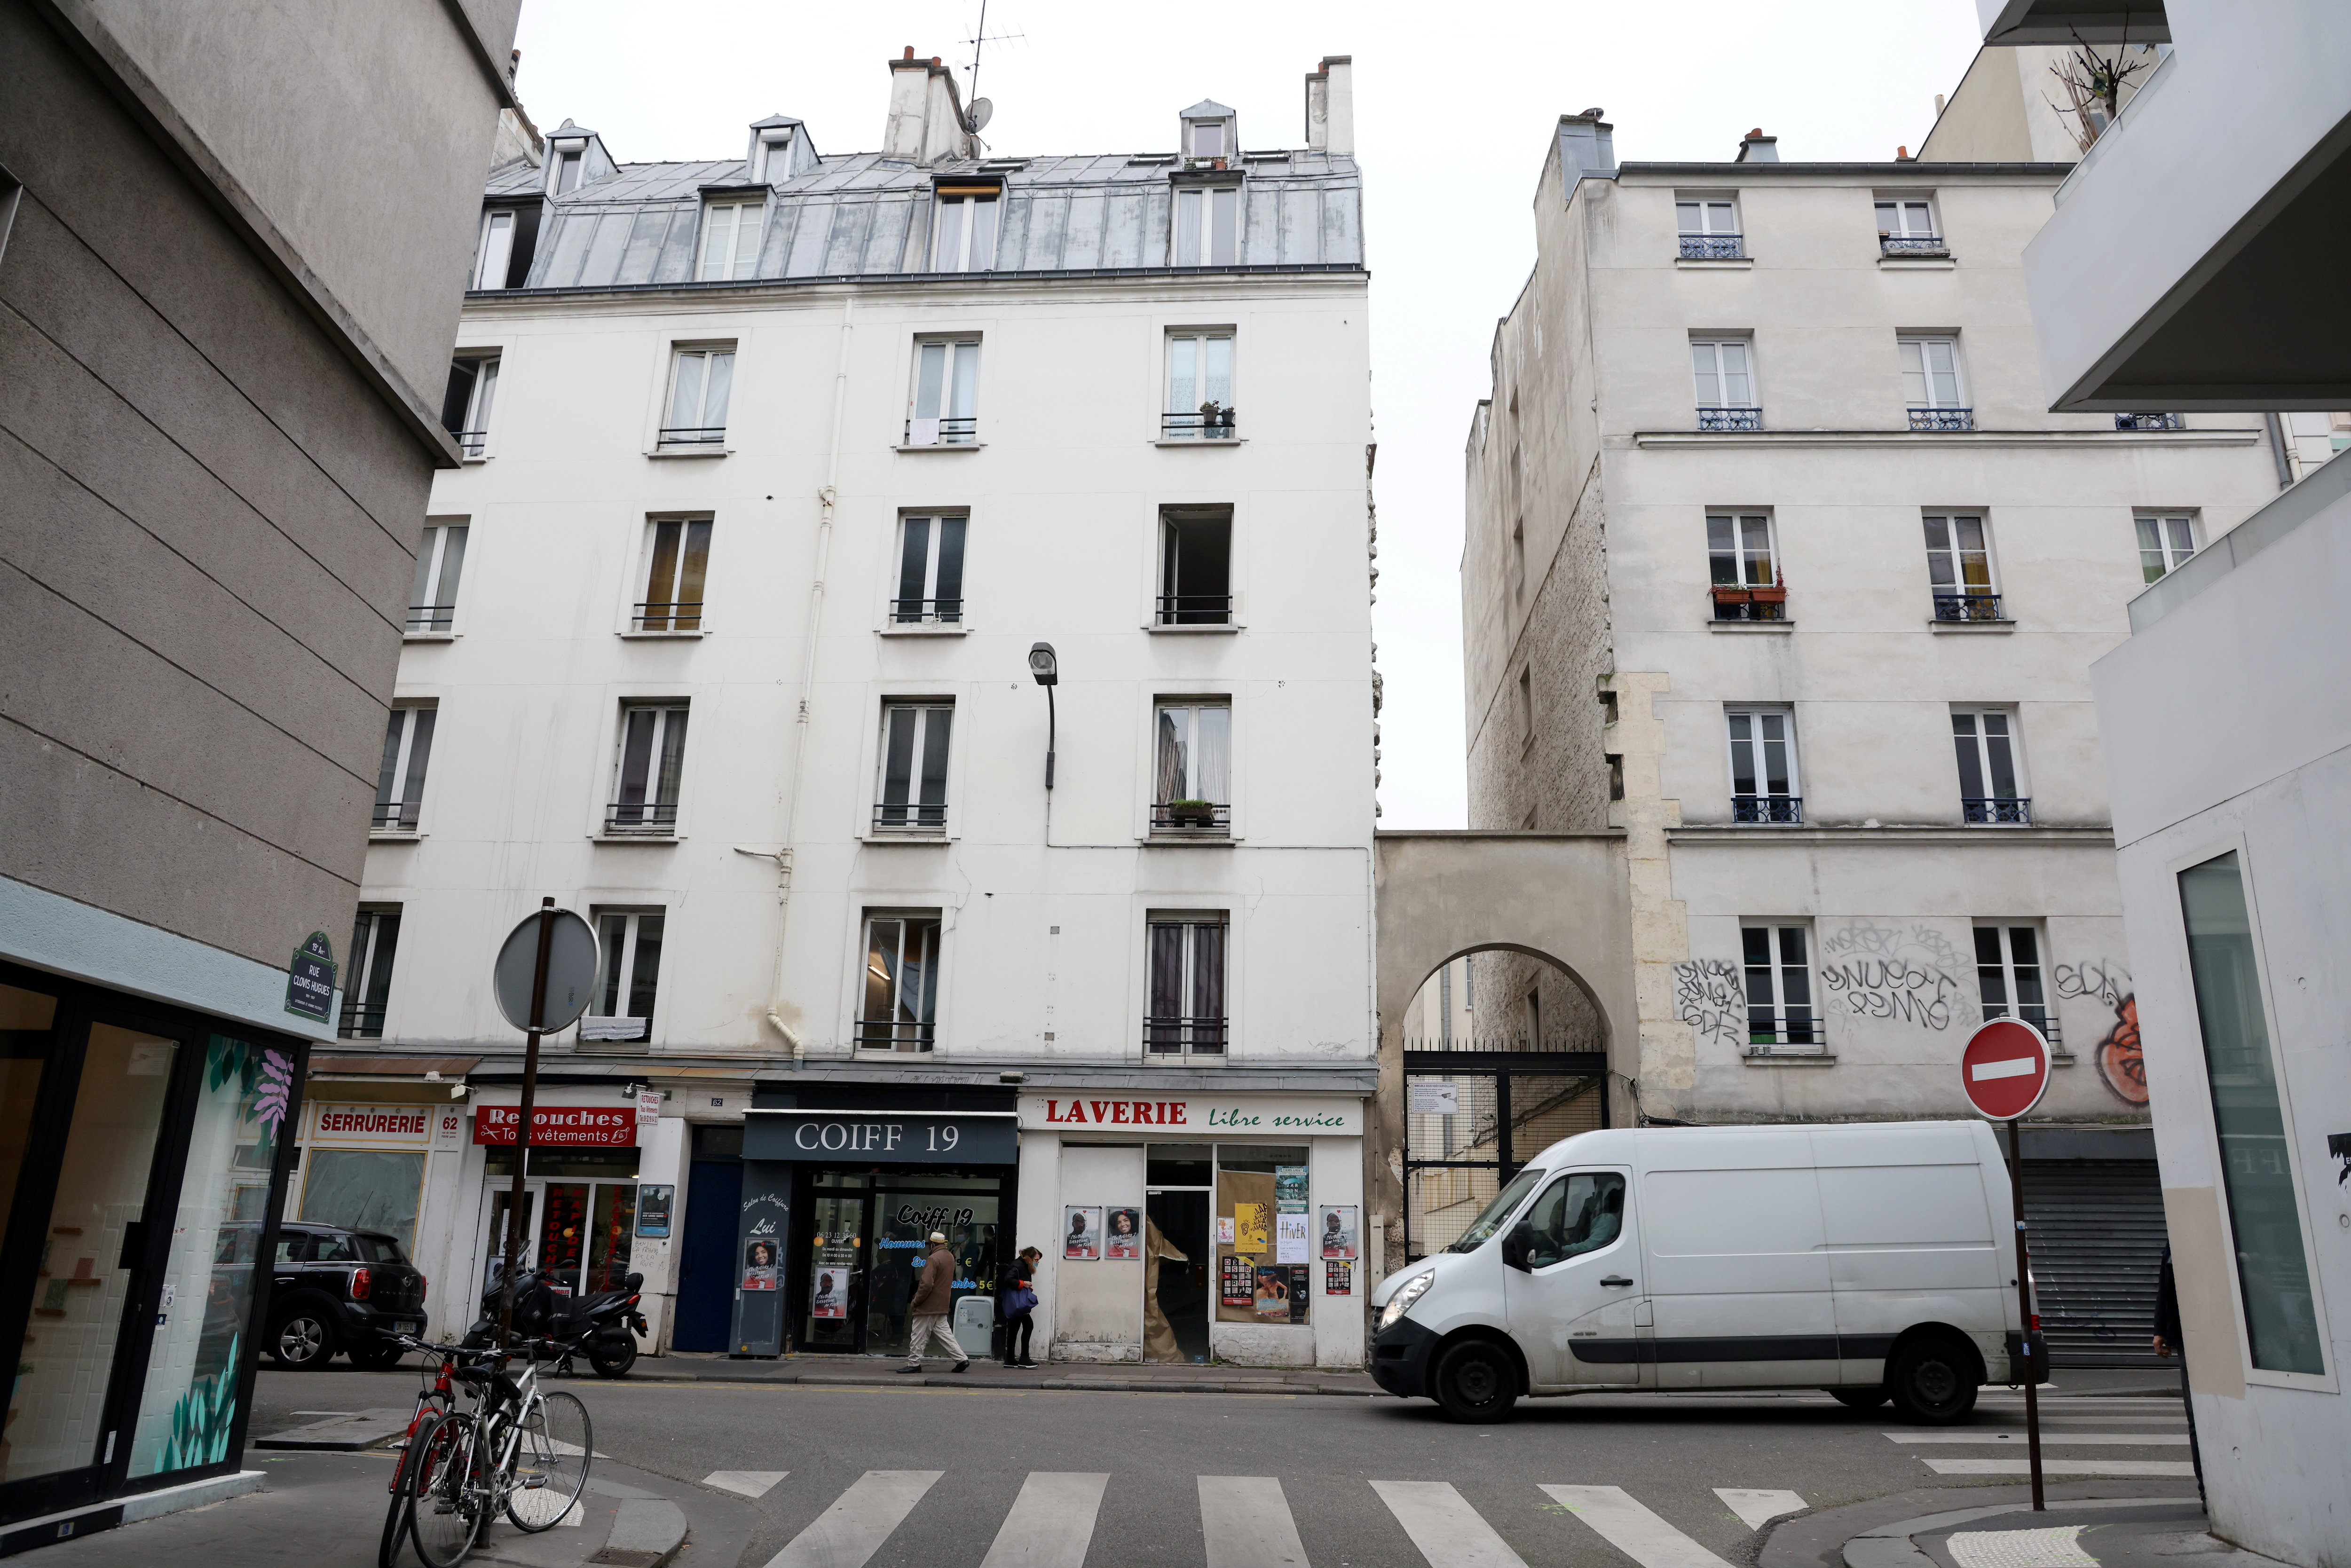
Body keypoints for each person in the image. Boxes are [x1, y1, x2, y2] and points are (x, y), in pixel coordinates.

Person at [2152, 1244, 2204, 1500]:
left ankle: (2209, 1490)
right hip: (2187, 1336)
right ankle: (2206, 1489)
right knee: (2196, 1417)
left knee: (2198, 1417)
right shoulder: (2174, 1241)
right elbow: (2165, 1286)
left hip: (2211, 1334)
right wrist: (2160, 1329)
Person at [899, 1230, 970, 1374]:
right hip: (942, 1303)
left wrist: (916, 1301)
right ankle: (962, 1359)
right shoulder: (949, 1257)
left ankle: (914, 1363)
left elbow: (926, 1285)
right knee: (945, 1334)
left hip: (928, 1305)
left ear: (931, 1244)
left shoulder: (933, 1259)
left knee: (918, 1335)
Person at [1002, 1245, 1042, 1368]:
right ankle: (1024, 1358)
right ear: (1030, 1258)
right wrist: (1023, 1284)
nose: (1037, 1263)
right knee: (1028, 1325)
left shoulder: (1023, 1264)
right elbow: (1008, 1280)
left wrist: (1027, 1286)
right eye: (1036, 1260)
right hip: (1018, 1303)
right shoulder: (1018, 1265)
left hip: (1018, 1302)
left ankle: (1010, 1359)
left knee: (1014, 1328)